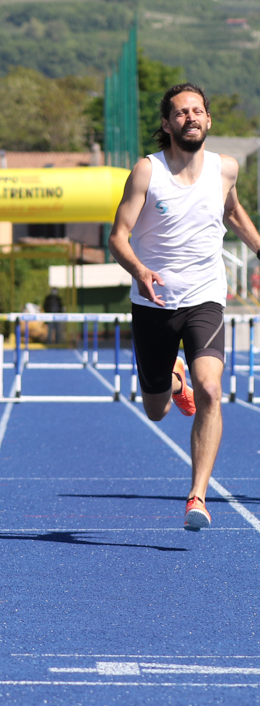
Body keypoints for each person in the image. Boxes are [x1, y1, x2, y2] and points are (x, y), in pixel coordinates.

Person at [108, 82, 260, 530]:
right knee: (156, 410)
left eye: (197, 111)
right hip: (153, 303)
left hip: (206, 297)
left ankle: (198, 496)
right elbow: (117, 237)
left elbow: (232, 211)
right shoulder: (147, 172)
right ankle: (175, 380)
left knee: (211, 389)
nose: (190, 117)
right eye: (180, 112)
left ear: (208, 119)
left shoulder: (225, 168)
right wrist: (139, 269)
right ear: (167, 123)